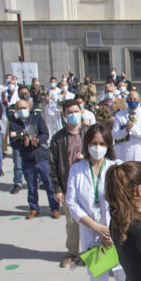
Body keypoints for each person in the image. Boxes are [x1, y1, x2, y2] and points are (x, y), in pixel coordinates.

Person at [66, 123, 125, 281]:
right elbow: (72, 203)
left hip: (114, 231)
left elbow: (124, 200)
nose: (97, 148)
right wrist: (95, 226)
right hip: (91, 229)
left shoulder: (117, 166)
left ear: (108, 145)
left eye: (101, 143)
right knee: (97, 275)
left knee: (122, 276)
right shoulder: (77, 168)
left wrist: (110, 230)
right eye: (93, 143)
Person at [50, 99, 88, 267]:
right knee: (72, 222)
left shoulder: (89, 132)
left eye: (76, 111)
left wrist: (86, 157)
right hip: (69, 186)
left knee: (91, 219)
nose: (73, 115)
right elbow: (52, 165)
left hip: (88, 184)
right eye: (69, 112)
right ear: (64, 115)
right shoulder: (58, 138)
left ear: (81, 111)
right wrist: (57, 189)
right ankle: (72, 252)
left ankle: (89, 251)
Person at [9, 99, 58, 220]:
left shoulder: (36, 119)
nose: (22, 110)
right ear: (16, 110)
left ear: (29, 108)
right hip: (27, 159)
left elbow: (45, 134)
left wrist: (38, 141)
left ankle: (55, 207)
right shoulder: (13, 124)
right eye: (19, 108)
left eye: (24, 108)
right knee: (31, 186)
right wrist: (24, 144)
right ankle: (34, 208)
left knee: (49, 184)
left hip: (41, 157)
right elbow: (13, 143)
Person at [111, 90, 141, 162]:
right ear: (126, 100)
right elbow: (114, 134)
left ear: (139, 100)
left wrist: (132, 129)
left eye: (135, 99)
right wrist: (125, 130)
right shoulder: (119, 115)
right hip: (123, 154)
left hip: (139, 153)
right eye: (130, 99)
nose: (132, 101)